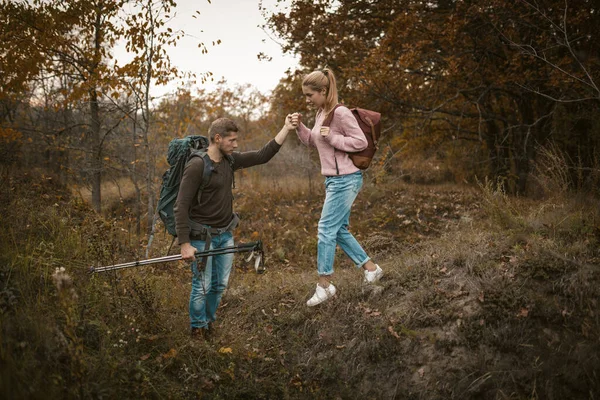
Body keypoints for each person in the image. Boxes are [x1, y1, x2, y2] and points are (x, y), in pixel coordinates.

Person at [174, 116, 296, 339]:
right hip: (201, 237)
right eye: (231, 140)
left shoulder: (230, 160)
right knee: (202, 285)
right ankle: (197, 328)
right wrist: (185, 244)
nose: (236, 144)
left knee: (219, 285)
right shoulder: (197, 165)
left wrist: (286, 128)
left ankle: (208, 323)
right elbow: (180, 206)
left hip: (224, 234)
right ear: (217, 138)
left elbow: (262, 155)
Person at [291, 68, 383, 307]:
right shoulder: (322, 113)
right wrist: (300, 126)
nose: (307, 99)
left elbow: (360, 142)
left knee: (325, 228)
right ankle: (371, 269)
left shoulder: (340, 112)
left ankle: (324, 284)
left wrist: (332, 137)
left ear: (323, 91)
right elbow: (313, 140)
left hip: (346, 179)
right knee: (338, 229)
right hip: (333, 180)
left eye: (310, 95)